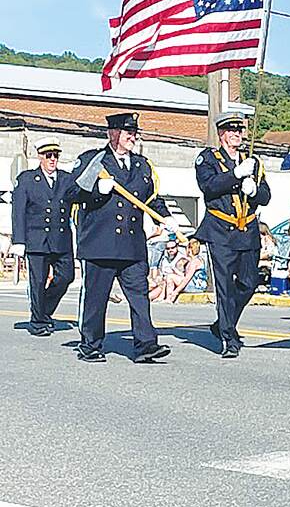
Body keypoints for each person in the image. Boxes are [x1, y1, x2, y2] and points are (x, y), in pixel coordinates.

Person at [67, 112, 174, 363]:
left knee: (139, 296)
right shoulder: (93, 161)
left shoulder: (142, 165)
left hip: (132, 244)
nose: (132, 137)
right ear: (112, 133)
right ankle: (90, 345)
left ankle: (146, 344)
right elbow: (71, 193)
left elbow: (151, 199)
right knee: (96, 297)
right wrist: (96, 192)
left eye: (134, 133)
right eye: (127, 133)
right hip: (100, 243)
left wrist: (165, 217)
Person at [192, 111, 271, 359]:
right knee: (225, 287)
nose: (237, 134)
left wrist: (255, 189)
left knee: (248, 283)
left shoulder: (253, 162)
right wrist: (235, 176)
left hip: (247, 231)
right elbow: (209, 186)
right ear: (221, 134)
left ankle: (222, 323)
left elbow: (266, 197)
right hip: (221, 230)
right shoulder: (208, 158)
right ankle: (228, 337)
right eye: (232, 130)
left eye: (240, 130)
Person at [11, 136, 75, 336]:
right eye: (48, 156)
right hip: (36, 240)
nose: (53, 159)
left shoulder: (66, 179)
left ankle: (43, 311)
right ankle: (39, 322)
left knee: (66, 277)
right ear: (40, 157)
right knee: (37, 282)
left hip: (61, 239)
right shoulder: (27, 179)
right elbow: (19, 211)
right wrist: (19, 241)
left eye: (55, 155)